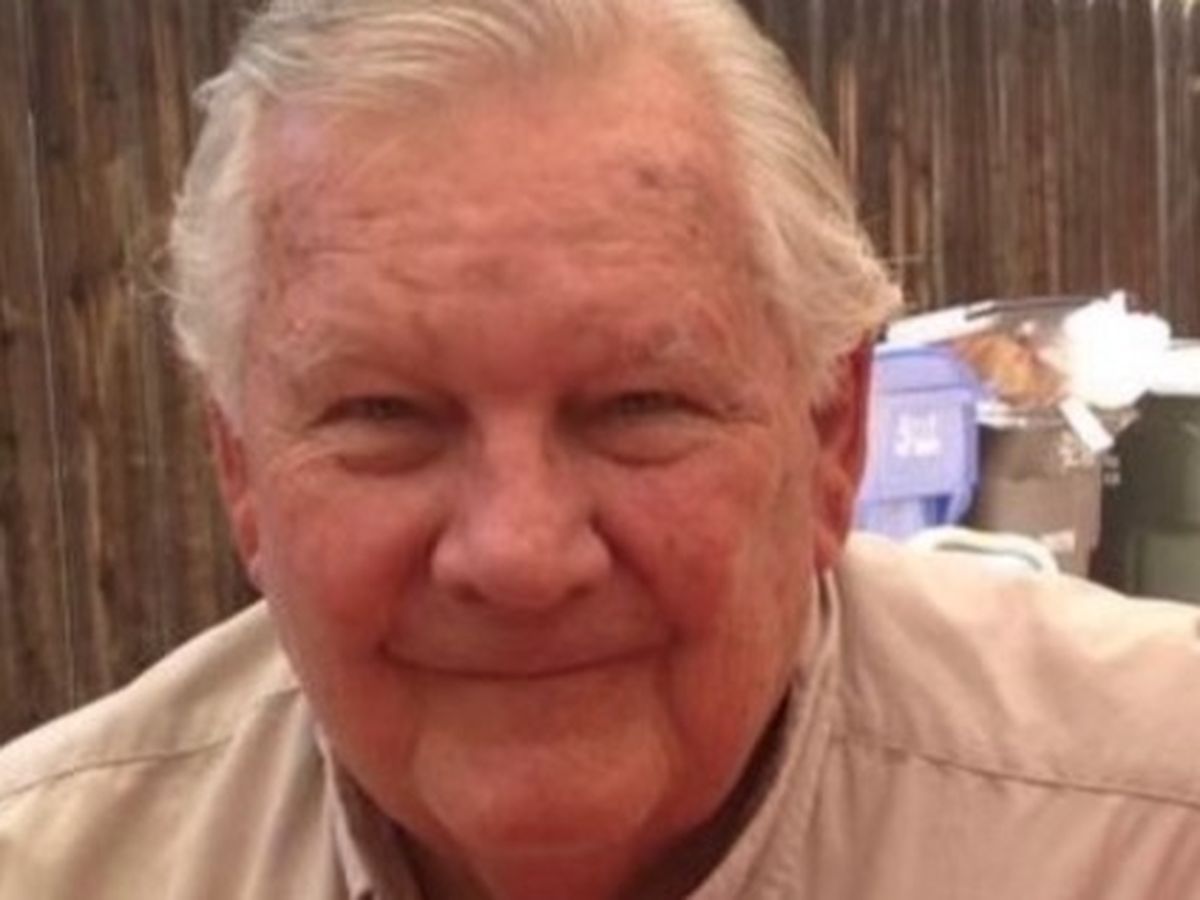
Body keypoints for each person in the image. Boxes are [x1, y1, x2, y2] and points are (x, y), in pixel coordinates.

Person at [2, 0, 1198, 897]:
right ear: (241, 472)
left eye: (638, 405)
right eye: (383, 416)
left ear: (833, 435)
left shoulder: (1152, 827)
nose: (519, 556)